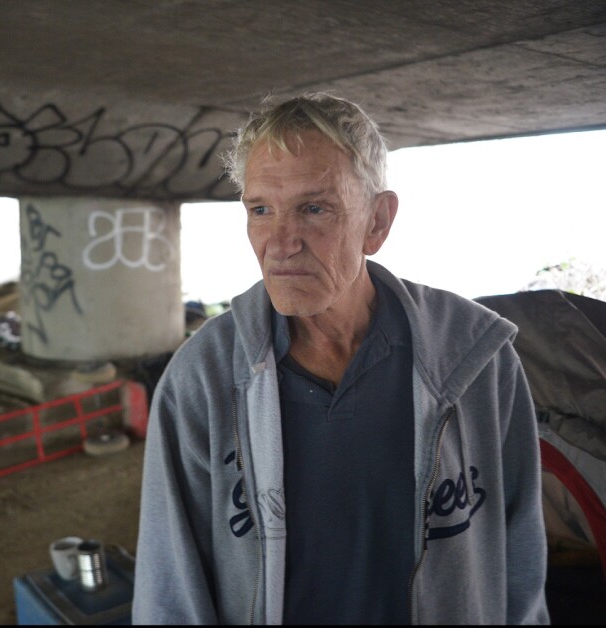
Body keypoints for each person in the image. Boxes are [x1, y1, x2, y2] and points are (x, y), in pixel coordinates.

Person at [132, 93, 550, 625]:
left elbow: (520, 562)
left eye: (314, 208)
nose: (280, 244)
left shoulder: (477, 357)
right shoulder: (203, 379)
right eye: (261, 209)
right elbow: (170, 590)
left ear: (377, 221)